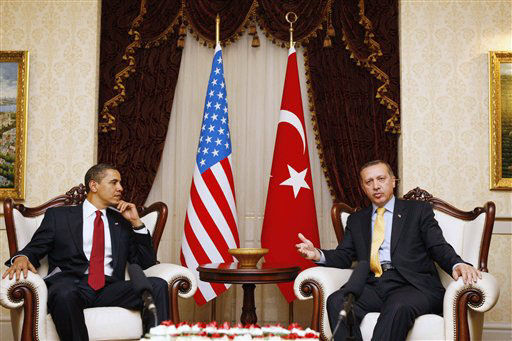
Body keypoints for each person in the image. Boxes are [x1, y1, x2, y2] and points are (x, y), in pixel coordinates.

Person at [296, 160, 481, 341]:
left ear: (393, 181)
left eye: (381, 179)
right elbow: (344, 255)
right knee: (337, 301)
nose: (376, 186)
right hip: (374, 285)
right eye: (369, 182)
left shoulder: (418, 211)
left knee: (397, 306)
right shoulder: (357, 220)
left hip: (412, 285)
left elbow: (437, 246)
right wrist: (317, 254)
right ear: (363, 187)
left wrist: (458, 263)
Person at [2, 163, 169, 341]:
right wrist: (22, 258)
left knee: (158, 285)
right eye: (114, 182)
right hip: (71, 285)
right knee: (64, 292)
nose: (120, 188)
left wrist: (136, 223)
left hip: (110, 288)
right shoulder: (59, 217)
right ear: (94, 185)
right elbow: (35, 247)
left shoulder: (121, 221)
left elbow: (146, 263)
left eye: (120, 183)